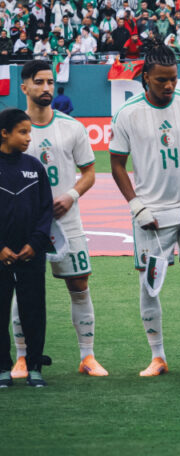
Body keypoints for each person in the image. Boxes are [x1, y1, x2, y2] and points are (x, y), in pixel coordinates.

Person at [110, 45, 180, 377]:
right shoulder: (128, 113)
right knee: (149, 284)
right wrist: (135, 204)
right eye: (161, 80)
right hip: (151, 213)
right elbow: (117, 164)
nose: (169, 86)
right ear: (145, 78)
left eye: (173, 79)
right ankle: (158, 356)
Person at [11, 60, 106, 380]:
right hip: (25, 224)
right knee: (21, 287)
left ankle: (87, 356)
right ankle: (22, 358)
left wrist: (71, 195)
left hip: (67, 220)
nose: (46, 88)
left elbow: (89, 172)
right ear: (24, 87)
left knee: (79, 284)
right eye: (39, 82)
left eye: (50, 82)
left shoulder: (72, 127)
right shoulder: (14, 128)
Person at [0, 108, 53, 388]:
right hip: (1, 256)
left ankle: (34, 366)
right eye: (22, 132)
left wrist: (35, 243)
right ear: (4, 133)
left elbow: (46, 210)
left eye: (30, 132)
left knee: (34, 311)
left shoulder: (35, 167)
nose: (29, 138)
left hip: (32, 254)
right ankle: (2, 368)